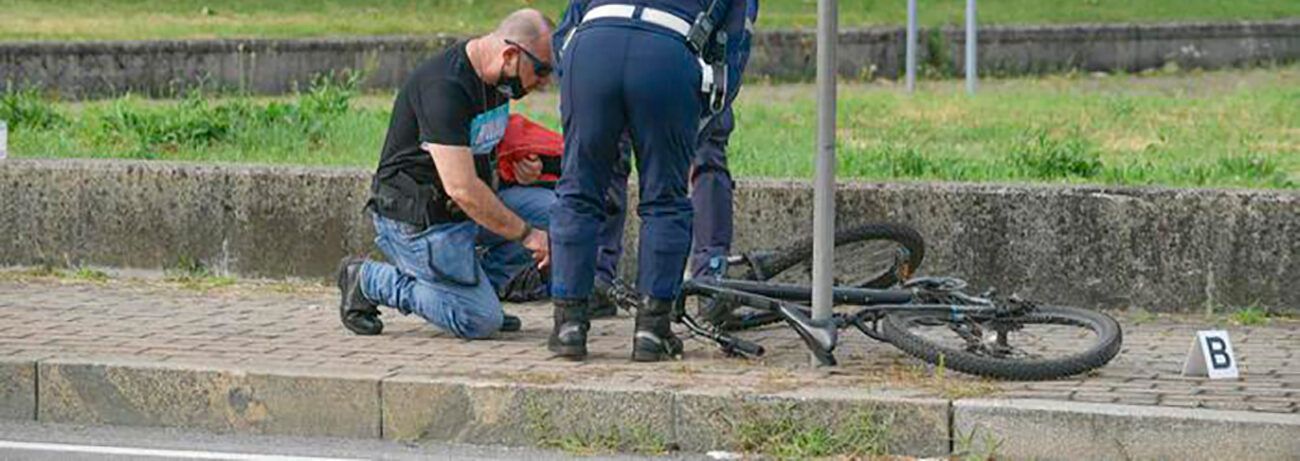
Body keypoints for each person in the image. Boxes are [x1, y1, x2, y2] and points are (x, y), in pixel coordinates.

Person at [336, 9, 556, 339]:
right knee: (479, 321)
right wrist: (529, 236)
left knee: (559, 214)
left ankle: (474, 292)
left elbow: (481, 150)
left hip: (464, 215)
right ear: (510, 54)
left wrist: (522, 172)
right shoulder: (444, 87)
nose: (544, 82)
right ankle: (367, 280)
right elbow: (462, 188)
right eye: (541, 70)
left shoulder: (498, 79)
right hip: (418, 220)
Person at [547, 0, 747, 361]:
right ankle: (652, 330)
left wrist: (573, 87)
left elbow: (567, 25)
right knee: (665, 199)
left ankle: (568, 324)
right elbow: (734, 44)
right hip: (667, 53)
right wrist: (701, 117)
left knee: (578, 191)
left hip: (593, 47)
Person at [590, 0, 758, 318]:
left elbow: (735, 42)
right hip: (639, 57)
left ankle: (709, 279)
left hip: (687, 68)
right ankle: (599, 280)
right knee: (613, 155)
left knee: (702, 154)